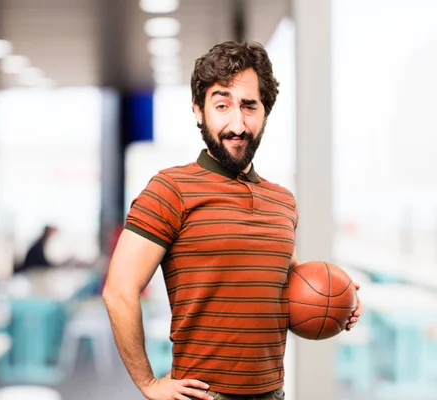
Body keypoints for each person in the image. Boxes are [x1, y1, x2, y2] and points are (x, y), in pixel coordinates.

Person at [102, 41, 363, 400]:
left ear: (265, 113)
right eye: (222, 105)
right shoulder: (170, 189)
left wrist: (340, 300)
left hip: (272, 393)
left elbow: (287, 286)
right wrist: (147, 383)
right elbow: (119, 291)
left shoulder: (283, 201)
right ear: (199, 111)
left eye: (249, 106)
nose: (237, 124)